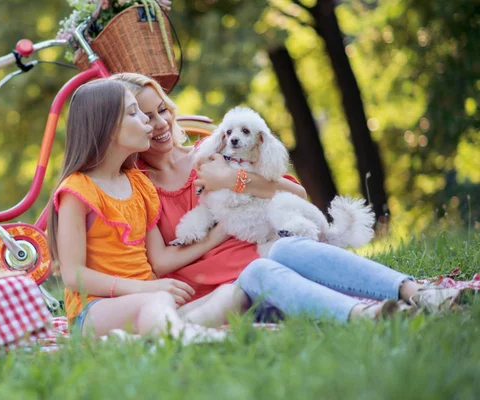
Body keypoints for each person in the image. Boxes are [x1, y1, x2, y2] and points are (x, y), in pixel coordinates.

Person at [109, 72, 463, 323]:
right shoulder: (137, 185)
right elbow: (160, 262)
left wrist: (237, 179)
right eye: (144, 114)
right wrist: (219, 233)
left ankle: (417, 293)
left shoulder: (217, 150)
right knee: (265, 267)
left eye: (161, 110)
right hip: (232, 288)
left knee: (285, 248)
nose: (157, 122)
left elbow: (297, 194)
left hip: (280, 257)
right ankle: (367, 316)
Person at [47, 79, 247, 340]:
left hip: (150, 300)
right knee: (155, 304)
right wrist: (145, 289)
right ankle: (186, 338)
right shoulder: (77, 190)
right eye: (133, 113)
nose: (146, 120)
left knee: (232, 294)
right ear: (107, 129)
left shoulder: (139, 183)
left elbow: (159, 258)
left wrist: (151, 290)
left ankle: (148, 339)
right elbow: (73, 275)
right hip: (94, 310)